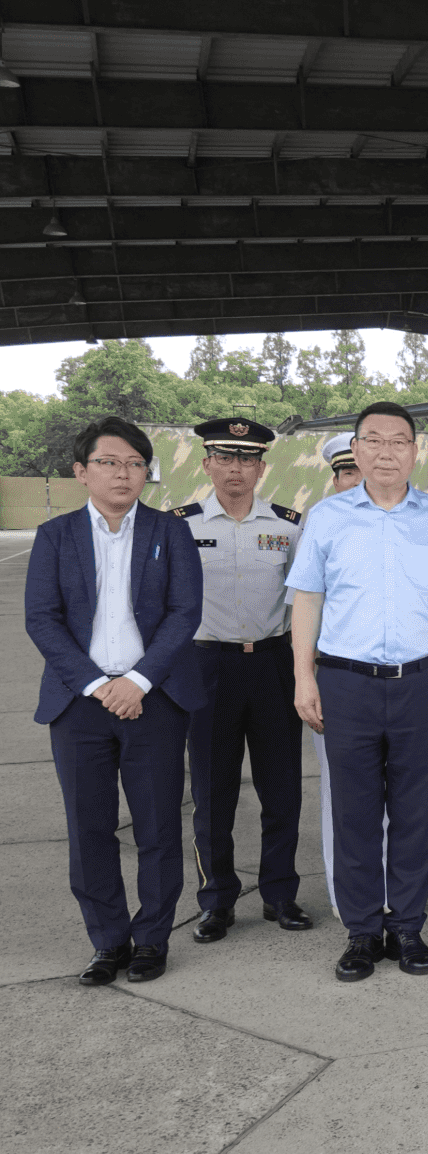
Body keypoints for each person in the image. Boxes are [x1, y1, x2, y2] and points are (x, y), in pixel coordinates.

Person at [287, 401, 428, 983]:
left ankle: (408, 927)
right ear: (356, 448)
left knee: (417, 810)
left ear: (414, 450)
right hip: (346, 681)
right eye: (373, 441)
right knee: (353, 811)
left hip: (424, 680)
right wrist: (304, 674)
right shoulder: (326, 518)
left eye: (399, 441)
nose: (386, 452)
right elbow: (307, 600)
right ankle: (362, 932)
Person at [28, 416, 207, 986]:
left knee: (158, 827)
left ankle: (152, 939)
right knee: (90, 828)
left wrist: (138, 681)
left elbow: (185, 613)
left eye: (135, 464)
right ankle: (108, 942)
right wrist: (96, 684)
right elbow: (42, 619)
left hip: (151, 700)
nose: (123, 473)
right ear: (82, 472)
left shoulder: (168, 531)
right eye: (109, 462)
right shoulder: (55, 536)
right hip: (79, 703)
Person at [177, 417, 311, 945]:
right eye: (225, 458)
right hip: (207, 666)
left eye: (247, 459)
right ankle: (216, 901)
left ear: (262, 466)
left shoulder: (288, 525)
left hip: (274, 664)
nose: (236, 469)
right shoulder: (180, 524)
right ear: (207, 463)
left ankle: (280, 894)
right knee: (213, 792)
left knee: (282, 789)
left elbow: (305, 601)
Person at [308, 432, 386, 921]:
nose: (356, 481)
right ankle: (349, 896)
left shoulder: (406, 524)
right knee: (343, 794)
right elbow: (302, 606)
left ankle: (390, 891)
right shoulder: (321, 526)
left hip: (401, 681)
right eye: (347, 472)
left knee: (398, 799)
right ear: (337, 479)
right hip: (336, 678)